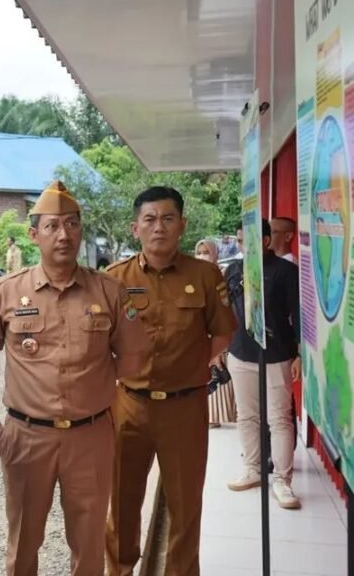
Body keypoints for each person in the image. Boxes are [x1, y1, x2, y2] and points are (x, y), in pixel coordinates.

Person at [0, 180, 149, 576]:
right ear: (33, 234)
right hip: (26, 436)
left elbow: (133, 356)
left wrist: (96, 394)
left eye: (72, 225)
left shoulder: (108, 291)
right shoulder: (5, 292)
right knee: (23, 541)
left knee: (89, 542)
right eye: (53, 226)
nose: (64, 235)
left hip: (90, 437)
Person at [105, 186, 237, 576]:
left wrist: (192, 365)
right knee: (123, 499)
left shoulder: (206, 274)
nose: (158, 227)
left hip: (185, 406)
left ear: (182, 225)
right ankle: (120, 569)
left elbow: (223, 333)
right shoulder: (114, 280)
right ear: (135, 228)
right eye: (149, 219)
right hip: (129, 405)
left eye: (167, 218)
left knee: (185, 504)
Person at [225, 219, 302, 509]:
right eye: (241, 241)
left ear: (267, 241)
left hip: (277, 355)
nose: (245, 247)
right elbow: (225, 311)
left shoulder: (285, 272)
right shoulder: (233, 270)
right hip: (240, 353)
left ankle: (283, 481)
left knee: (279, 419)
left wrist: (299, 355)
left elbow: (299, 314)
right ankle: (252, 469)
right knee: (246, 416)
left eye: (252, 241)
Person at [194, 238, 236, 428]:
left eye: (206, 252)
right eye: (199, 252)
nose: (202, 256)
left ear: (215, 253)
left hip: (220, 337)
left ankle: (220, 416)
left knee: (219, 375)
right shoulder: (193, 277)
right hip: (200, 337)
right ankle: (210, 418)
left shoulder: (223, 275)